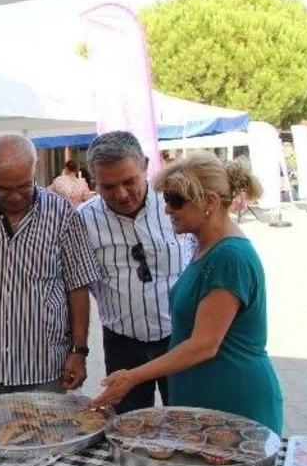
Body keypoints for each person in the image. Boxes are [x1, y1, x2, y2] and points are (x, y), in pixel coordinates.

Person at [93, 154, 284, 433]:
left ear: (209, 202)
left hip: (232, 401)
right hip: (204, 399)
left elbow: (204, 344)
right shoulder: (206, 247)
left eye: (176, 200)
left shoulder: (229, 256)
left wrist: (133, 376)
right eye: (167, 199)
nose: (167, 209)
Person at [0, 134, 102, 396]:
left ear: (34, 170)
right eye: (4, 189)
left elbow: (77, 287)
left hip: (47, 367)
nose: (15, 197)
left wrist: (78, 351)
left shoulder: (63, 215)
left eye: (24, 186)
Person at [79, 131, 192, 414]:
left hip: (179, 340)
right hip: (121, 346)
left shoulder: (177, 206)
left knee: (183, 422)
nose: (121, 194)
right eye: (108, 186)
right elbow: (77, 287)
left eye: (129, 181)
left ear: (145, 165)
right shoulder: (82, 221)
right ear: (94, 181)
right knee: (128, 426)